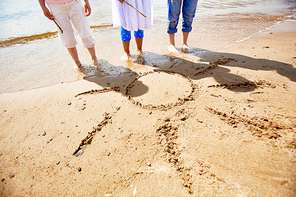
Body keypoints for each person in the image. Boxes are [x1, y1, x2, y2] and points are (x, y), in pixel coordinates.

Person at [38, 0, 98, 69]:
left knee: (85, 31)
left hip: (74, 3)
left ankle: (94, 59)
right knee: (66, 36)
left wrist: (86, 2)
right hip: (55, 6)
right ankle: (77, 63)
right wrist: (43, 7)